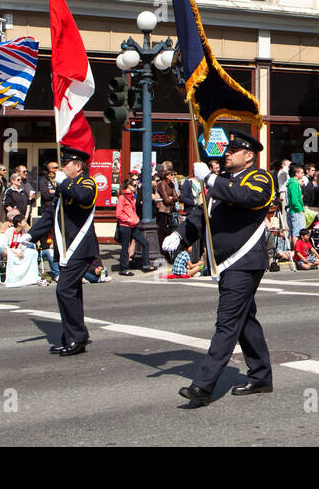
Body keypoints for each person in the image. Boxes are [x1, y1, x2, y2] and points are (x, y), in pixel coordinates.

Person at [169, 129, 275, 407]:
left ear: (249, 155)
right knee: (244, 321)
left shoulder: (260, 178)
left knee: (226, 323)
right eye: (226, 150)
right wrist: (180, 235)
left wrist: (210, 178)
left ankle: (202, 387)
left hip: (244, 261)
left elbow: (246, 198)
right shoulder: (223, 181)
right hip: (227, 261)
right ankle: (262, 376)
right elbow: (201, 215)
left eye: (233, 150)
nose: (226, 154)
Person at [29, 146, 100, 356]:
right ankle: (73, 337)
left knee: (64, 290)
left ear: (78, 166)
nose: (61, 168)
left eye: (66, 164)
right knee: (72, 292)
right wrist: (31, 235)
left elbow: (83, 197)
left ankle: (77, 337)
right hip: (66, 247)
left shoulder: (87, 182)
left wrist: (64, 182)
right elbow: (53, 212)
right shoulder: (65, 185)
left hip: (80, 247)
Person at [115, 175, 152, 275]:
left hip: (133, 225)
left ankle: (146, 264)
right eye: (134, 186)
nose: (136, 188)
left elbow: (131, 211)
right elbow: (118, 214)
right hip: (125, 226)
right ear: (129, 186)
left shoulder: (131, 197)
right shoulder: (122, 197)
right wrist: (129, 220)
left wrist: (135, 219)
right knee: (125, 247)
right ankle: (123, 269)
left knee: (145, 243)